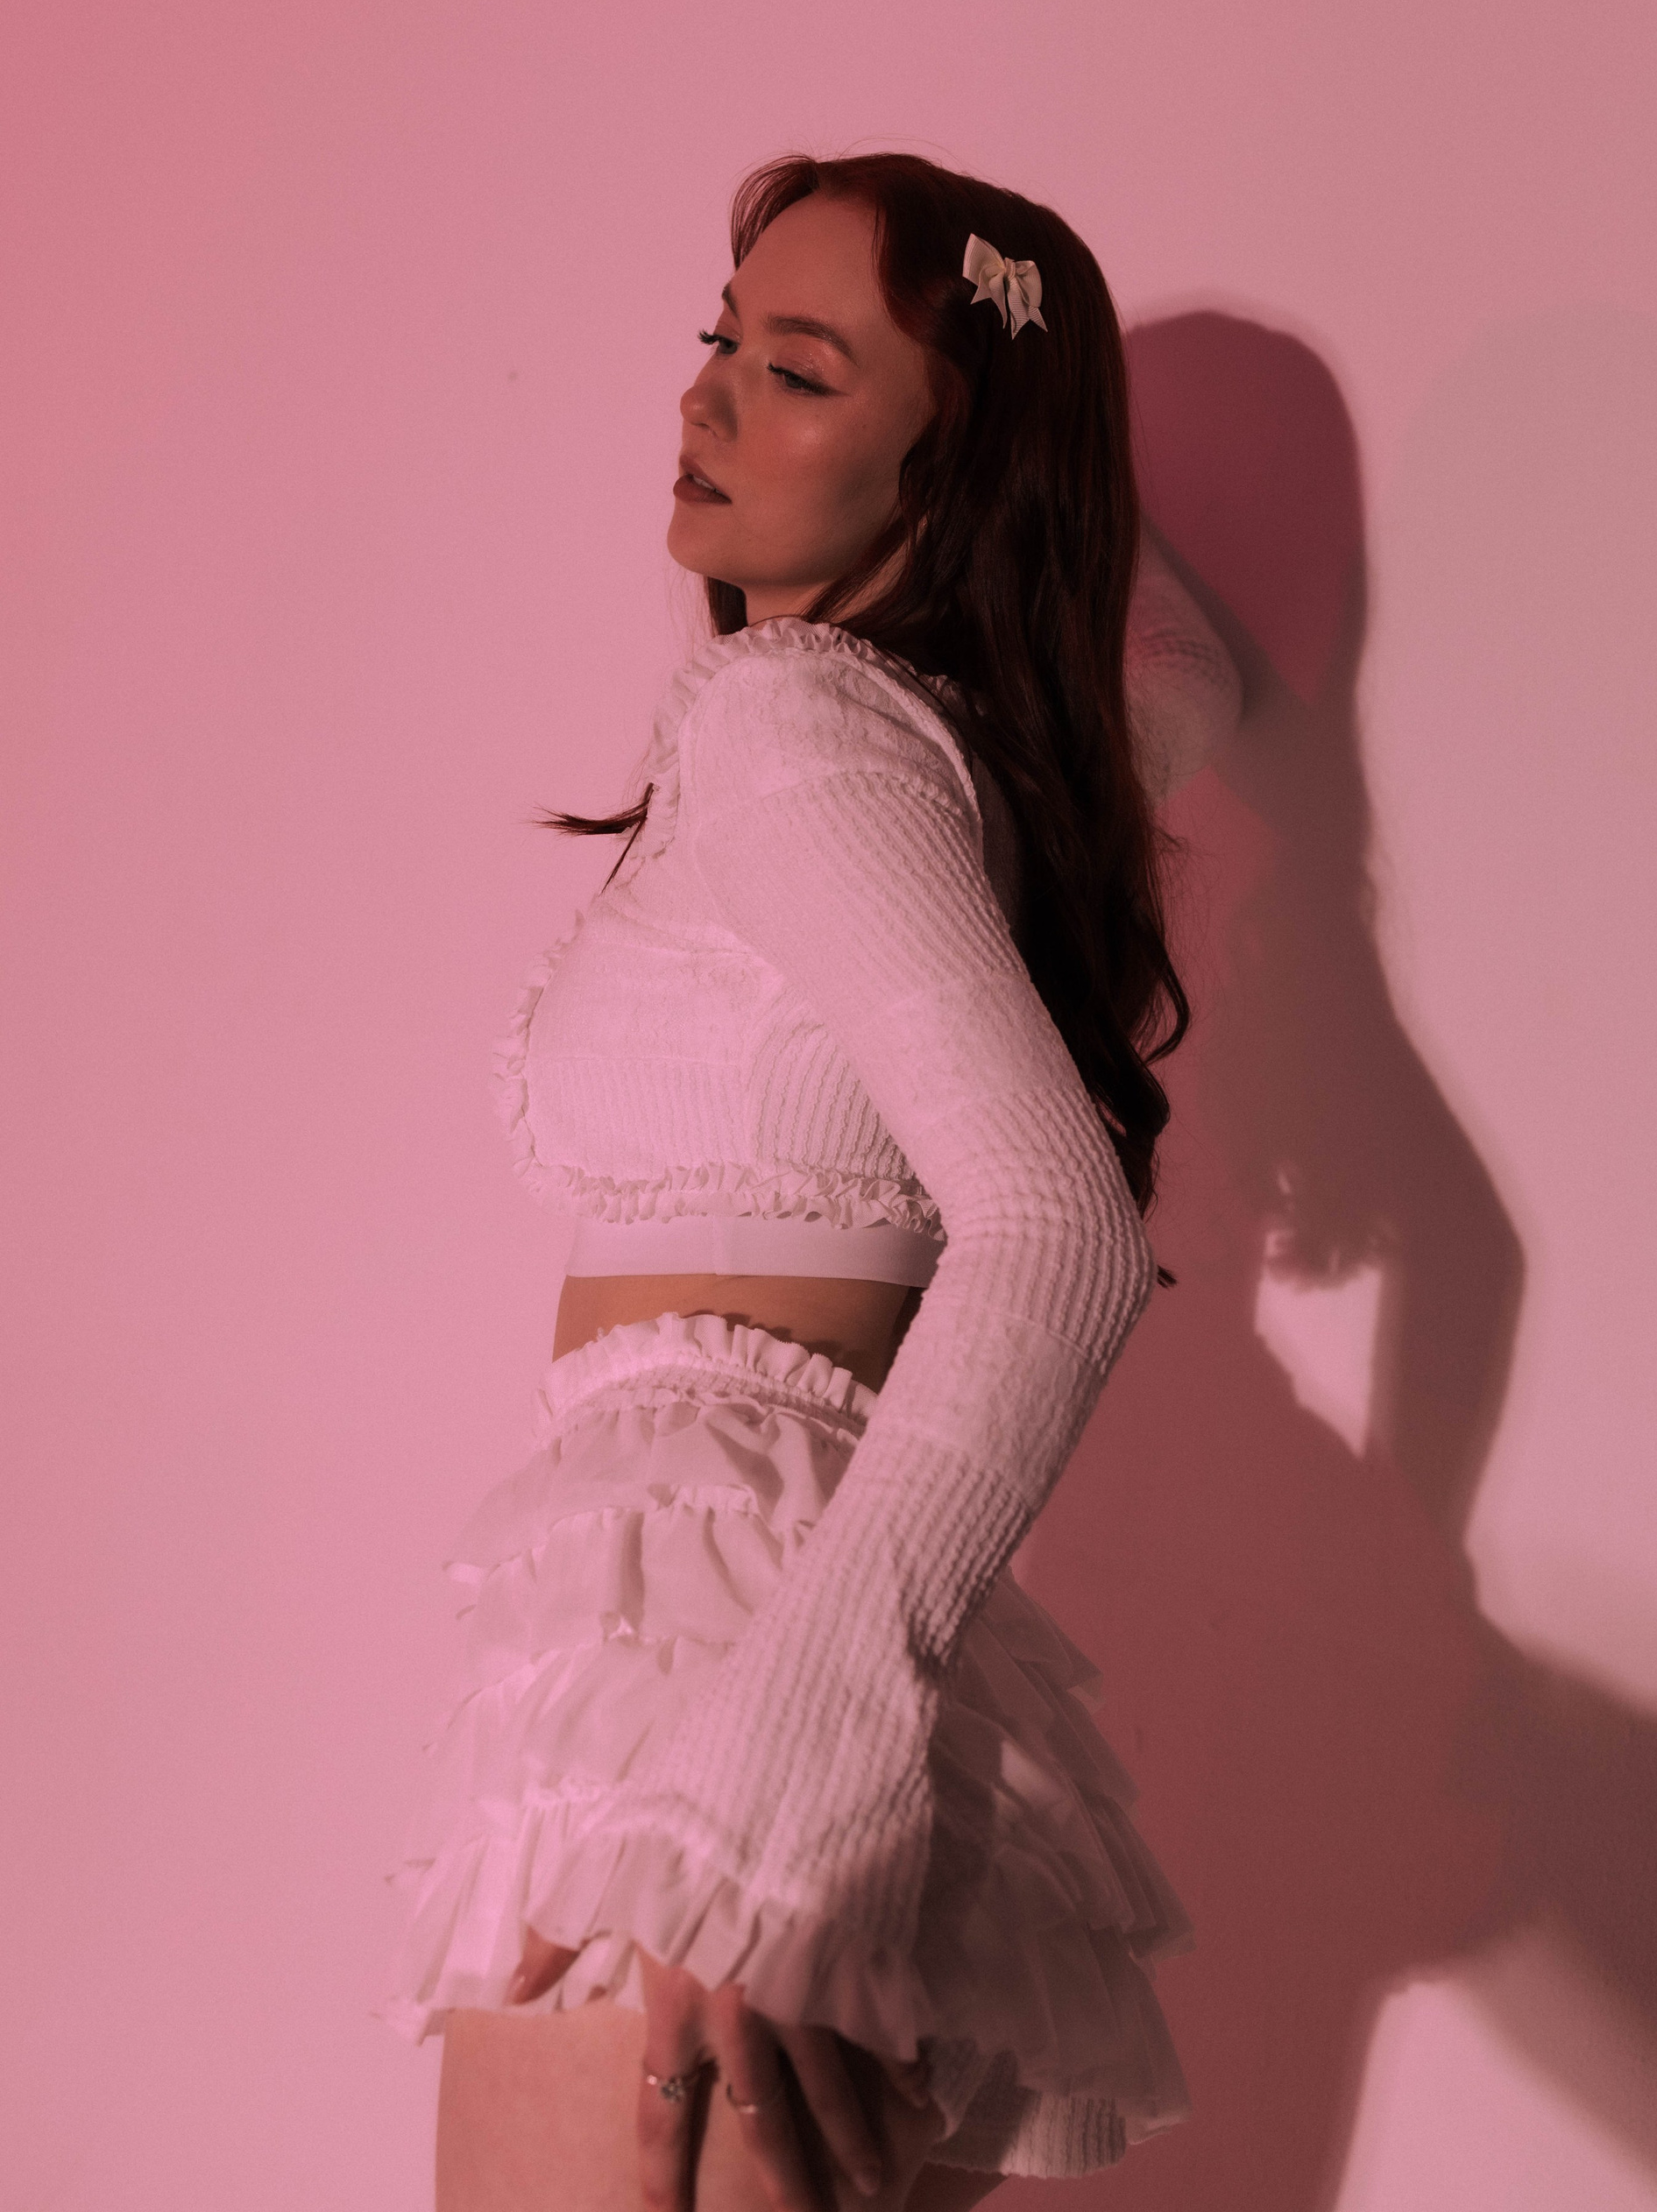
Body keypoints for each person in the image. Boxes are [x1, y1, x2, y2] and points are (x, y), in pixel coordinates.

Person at [381, 152, 1243, 2211]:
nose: (703, 398)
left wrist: (770, 1780)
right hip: (834, 1626)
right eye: (720, 340)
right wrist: (1028, 474)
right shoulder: (995, 768)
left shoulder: (791, 728)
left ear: (952, 470)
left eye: (796, 371)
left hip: (717, 1673)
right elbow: (1176, 674)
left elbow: (1054, 1229)